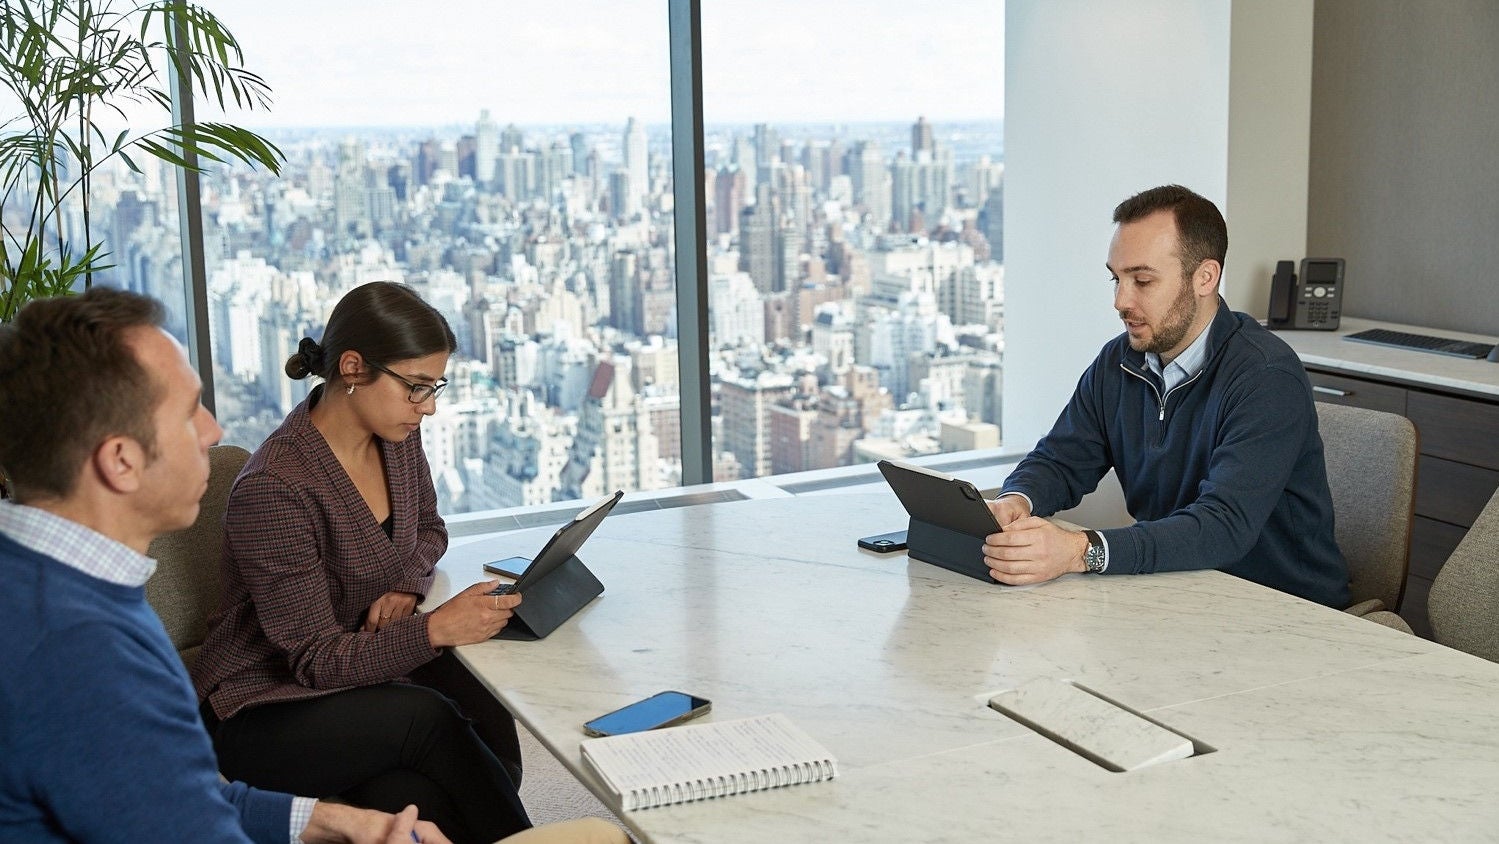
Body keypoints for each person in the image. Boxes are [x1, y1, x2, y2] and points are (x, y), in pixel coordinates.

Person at [0, 288, 448, 843]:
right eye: (190, 412)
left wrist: (336, 822)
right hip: (263, 701)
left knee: (405, 792)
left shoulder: (60, 584)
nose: (214, 432)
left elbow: (186, 796)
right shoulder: (80, 653)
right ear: (121, 461)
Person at [191, 282, 531, 844]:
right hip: (264, 703)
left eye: (434, 387)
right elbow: (315, 660)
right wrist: (434, 628)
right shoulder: (276, 487)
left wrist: (405, 585)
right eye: (417, 389)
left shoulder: (395, 435)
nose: (430, 407)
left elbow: (429, 530)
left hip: (362, 671)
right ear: (352, 368)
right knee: (430, 718)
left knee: (454, 749)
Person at [982, 185, 1350, 608]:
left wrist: (1080, 551)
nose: (1121, 301)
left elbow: (1222, 527)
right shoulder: (1120, 361)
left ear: (1205, 278)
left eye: (1142, 280)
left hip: (1284, 610)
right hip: (1179, 591)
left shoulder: (1266, 378)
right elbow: (1061, 459)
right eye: (1115, 279)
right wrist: (1016, 500)